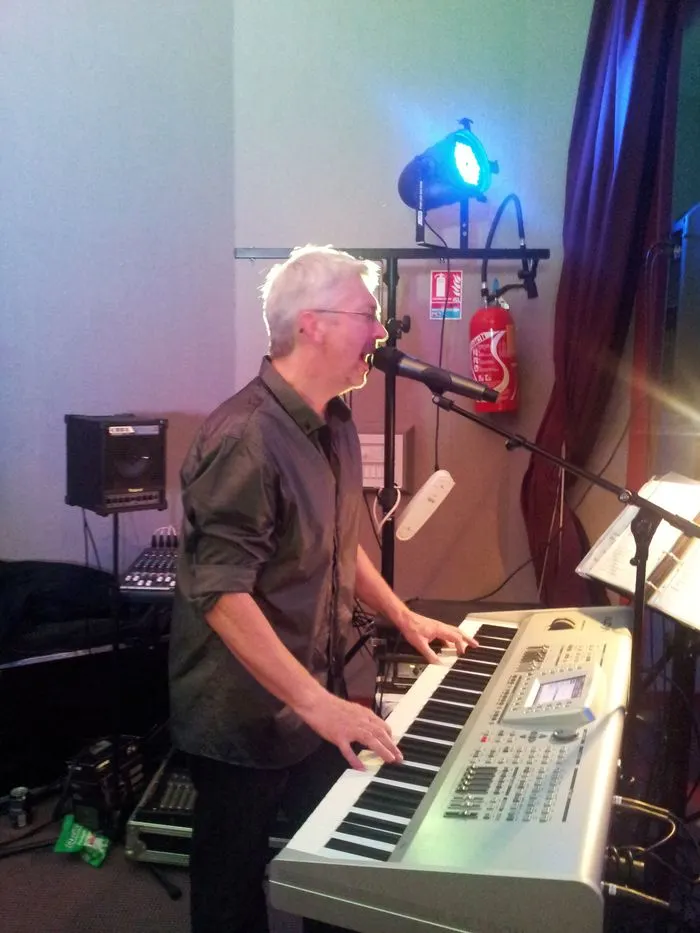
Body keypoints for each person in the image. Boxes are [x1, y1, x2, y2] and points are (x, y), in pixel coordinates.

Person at [168, 244, 476, 933]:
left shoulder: (333, 420)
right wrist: (318, 705)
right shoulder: (246, 438)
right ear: (312, 323)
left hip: (317, 692)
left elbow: (340, 541)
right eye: (368, 314)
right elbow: (221, 595)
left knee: (332, 868)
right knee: (230, 886)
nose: (381, 332)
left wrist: (401, 616)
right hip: (242, 709)